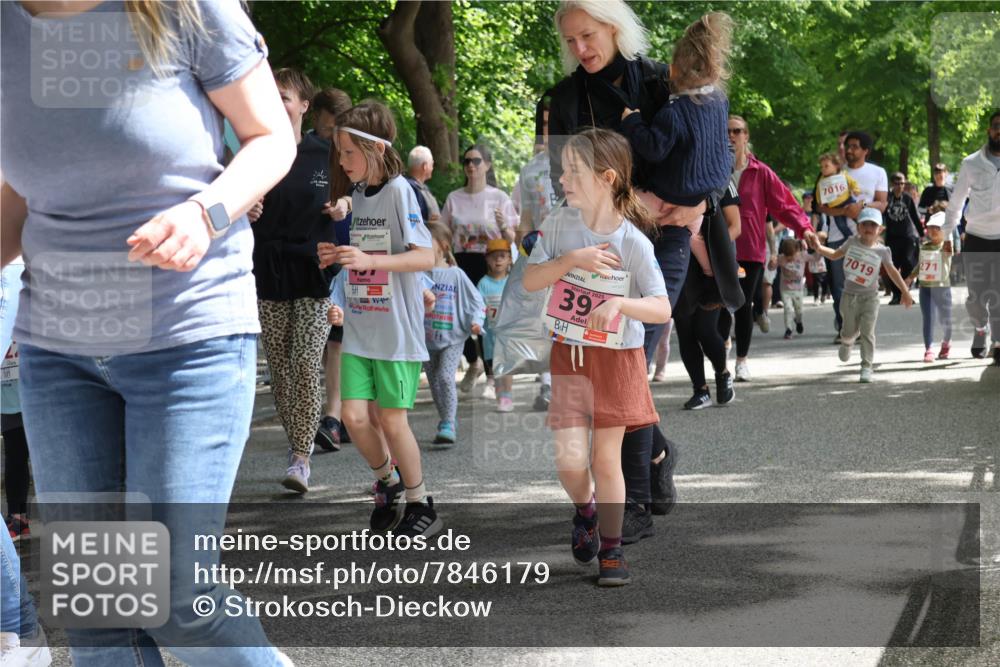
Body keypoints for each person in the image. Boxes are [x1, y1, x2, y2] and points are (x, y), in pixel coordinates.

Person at [1, 0, 296, 664]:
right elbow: (25, 191)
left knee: (176, 596)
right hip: (59, 349)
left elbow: (272, 137)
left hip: (186, 333)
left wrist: (206, 211)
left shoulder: (185, 7)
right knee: (102, 612)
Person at [548, 0, 709, 536]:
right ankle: (657, 457)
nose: (580, 49)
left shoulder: (661, 81)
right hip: (601, 243)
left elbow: (705, 145)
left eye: (588, 36)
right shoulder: (565, 98)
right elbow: (558, 176)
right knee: (617, 370)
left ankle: (633, 503)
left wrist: (700, 203)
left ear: (614, 28)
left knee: (630, 360)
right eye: (571, 41)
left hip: (664, 235)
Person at [523, 128, 671, 586]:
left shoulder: (633, 242)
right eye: (563, 168)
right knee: (569, 461)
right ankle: (586, 511)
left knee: (607, 460)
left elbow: (662, 307)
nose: (563, 178)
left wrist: (621, 305)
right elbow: (531, 281)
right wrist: (571, 260)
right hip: (571, 356)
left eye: (574, 170)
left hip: (617, 359)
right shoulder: (557, 224)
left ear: (606, 178)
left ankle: (611, 549)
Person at [319, 101, 440, 536]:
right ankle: (388, 482)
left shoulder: (400, 191)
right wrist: (337, 256)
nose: (342, 160)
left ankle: (420, 500)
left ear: (373, 148)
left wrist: (369, 257)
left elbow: (427, 255)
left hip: (395, 333)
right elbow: (364, 260)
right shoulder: (356, 199)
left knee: (391, 420)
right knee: (353, 417)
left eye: (349, 152)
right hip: (359, 328)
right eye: (339, 152)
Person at [249, 68, 338, 492]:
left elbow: (353, 197)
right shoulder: (255, 152)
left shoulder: (326, 153)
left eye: (285, 96)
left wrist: (343, 210)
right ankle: (297, 444)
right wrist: (244, 211)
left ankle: (301, 457)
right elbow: (232, 204)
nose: (277, 102)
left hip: (313, 270)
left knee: (305, 364)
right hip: (266, 269)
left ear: (305, 104)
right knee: (281, 372)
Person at [619, 11, 734, 278]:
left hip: (672, 192)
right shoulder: (719, 101)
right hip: (705, 190)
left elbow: (653, 148)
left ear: (674, 71)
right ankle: (711, 271)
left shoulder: (674, 112)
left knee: (621, 205)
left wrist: (632, 121)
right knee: (692, 230)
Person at [728, 114, 815, 381]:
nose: (731, 136)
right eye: (727, 131)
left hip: (750, 250)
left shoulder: (761, 172)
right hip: (715, 248)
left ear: (746, 136)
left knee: (742, 306)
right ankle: (722, 352)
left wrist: (804, 228)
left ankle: (741, 361)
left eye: (737, 131)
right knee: (718, 306)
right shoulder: (712, 168)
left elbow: (785, 204)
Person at [440, 145, 518, 393]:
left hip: (490, 264)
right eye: (466, 162)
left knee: (488, 320)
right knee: (456, 317)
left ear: (487, 164)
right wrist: (444, 255)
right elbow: (443, 233)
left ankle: (493, 376)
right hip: (461, 262)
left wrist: (503, 225)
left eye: (475, 161)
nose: (470, 166)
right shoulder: (454, 198)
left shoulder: (499, 198)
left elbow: (512, 237)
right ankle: (473, 363)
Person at [808, 208, 912, 382]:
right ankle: (847, 341)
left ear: (880, 229)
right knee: (849, 331)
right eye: (864, 224)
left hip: (870, 298)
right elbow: (834, 255)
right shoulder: (851, 242)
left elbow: (892, 271)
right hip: (849, 297)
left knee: (867, 332)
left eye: (873, 225)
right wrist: (818, 247)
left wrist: (905, 292)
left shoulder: (882, 251)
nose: (868, 228)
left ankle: (866, 366)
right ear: (858, 227)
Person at [311, 87, 354, 449]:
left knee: (340, 339)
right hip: (314, 254)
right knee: (333, 340)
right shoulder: (301, 150)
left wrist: (345, 203)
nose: (332, 139)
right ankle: (336, 415)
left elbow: (369, 190)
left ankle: (336, 416)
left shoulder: (353, 147)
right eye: (327, 132)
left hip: (352, 255)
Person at [816, 130, 889, 342]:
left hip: (866, 238)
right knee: (839, 284)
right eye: (848, 146)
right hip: (838, 236)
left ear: (865, 150)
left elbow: (882, 203)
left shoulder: (878, 172)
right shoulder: (833, 172)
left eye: (855, 146)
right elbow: (822, 206)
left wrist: (862, 207)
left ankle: (861, 325)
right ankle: (844, 328)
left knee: (862, 285)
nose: (849, 150)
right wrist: (843, 212)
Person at [675, 180, 742, 410]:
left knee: (705, 329)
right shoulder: (670, 177)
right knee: (684, 330)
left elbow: (735, 226)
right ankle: (700, 390)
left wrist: (713, 247)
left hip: (710, 269)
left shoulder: (721, 178)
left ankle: (722, 373)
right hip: (680, 263)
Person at [945, 111, 1000, 363]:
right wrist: (947, 235)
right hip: (976, 237)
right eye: (997, 126)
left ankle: (998, 343)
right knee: (976, 297)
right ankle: (980, 328)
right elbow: (956, 203)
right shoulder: (971, 163)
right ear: (989, 131)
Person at [423, 223, 485, 444]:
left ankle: (448, 422)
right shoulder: (418, 274)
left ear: (443, 246)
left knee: (444, 377)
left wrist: (477, 322)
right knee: (435, 384)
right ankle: (446, 418)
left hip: (453, 337)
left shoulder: (456, 274)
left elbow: (477, 301)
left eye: (425, 241)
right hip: (425, 340)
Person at [516, 94, 558, 409]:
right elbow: (526, 219)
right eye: (542, 122)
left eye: (552, 119)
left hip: (578, 252)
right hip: (543, 254)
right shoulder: (530, 170)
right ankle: (547, 385)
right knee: (544, 320)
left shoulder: (580, 158)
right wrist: (524, 253)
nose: (548, 127)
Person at [906, 212, 953, 362]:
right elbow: (921, 266)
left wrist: (948, 236)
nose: (932, 231)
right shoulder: (924, 247)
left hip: (942, 288)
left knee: (946, 319)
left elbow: (949, 250)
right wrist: (910, 278)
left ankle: (946, 343)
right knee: (928, 318)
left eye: (936, 228)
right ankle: (929, 349)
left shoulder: (946, 246)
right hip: (925, 288)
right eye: (930, 227)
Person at [478, 239, 515, 411]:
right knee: (497, 369)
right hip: (491, 337)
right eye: (494, 257)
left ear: (509, 259)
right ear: (487, 260)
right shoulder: (483, 284)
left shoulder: (513, 282)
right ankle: (501, 396)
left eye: (502, 256)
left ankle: (506, 396)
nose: (498, 260)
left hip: (509, 335)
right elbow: (478, 307)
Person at [883, 172, 922, 305]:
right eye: (897, 183)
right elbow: (879, 213)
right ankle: (896, 295)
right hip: (892, 237)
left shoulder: (908, 199)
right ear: (892, 185)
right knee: (892, 266)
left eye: (902, 183)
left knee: (908, 264)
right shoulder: (887, 199)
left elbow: (915, 218)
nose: (900, 186)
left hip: (908, 236)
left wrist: (922, 234)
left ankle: (906, 293)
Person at [776, 238, 807, 339]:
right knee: (787, 308)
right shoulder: (781, 258)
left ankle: (798, 321)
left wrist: (817, 248)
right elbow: (771, 267)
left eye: (791, 256)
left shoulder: (802, 256)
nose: (789, 258)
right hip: (785, 289)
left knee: (799, 310)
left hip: (798, 289)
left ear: (797, 251)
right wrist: (771, 263)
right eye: (787, 256)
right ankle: (788, 329)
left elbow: (815, 257)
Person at [407, 145, 441, 223]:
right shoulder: (409, 189)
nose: (433, 168)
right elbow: (408, 219)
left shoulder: (423, 188)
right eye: (432, 164)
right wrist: (428, 223)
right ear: (425, 166)